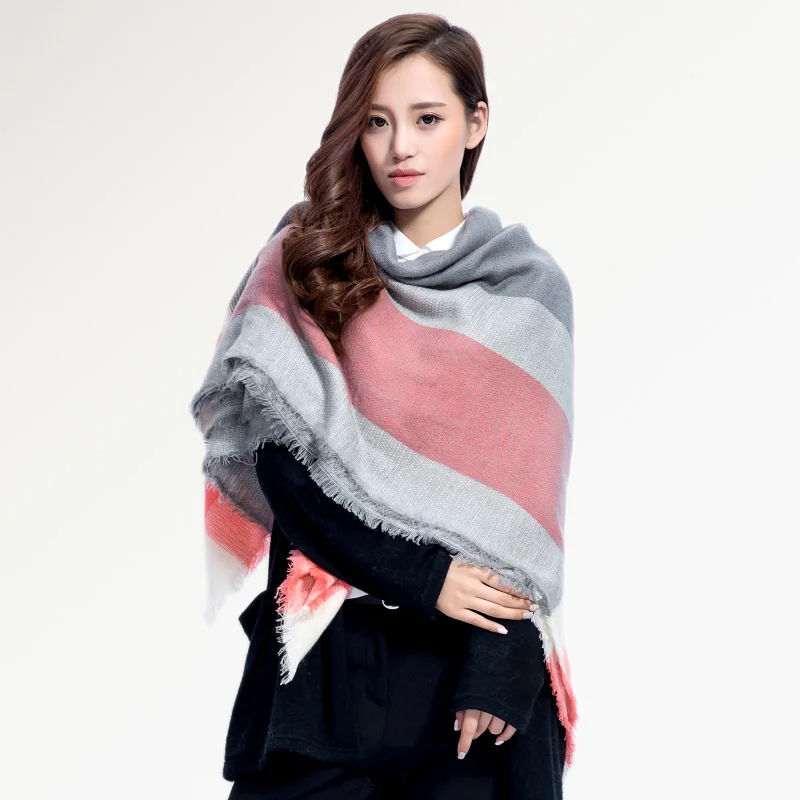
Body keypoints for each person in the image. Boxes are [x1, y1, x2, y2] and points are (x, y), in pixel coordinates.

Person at [190, 11, 575, 799]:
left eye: (427, 119)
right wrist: (424, 575)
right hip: (327, 660)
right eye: (377, 122)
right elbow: (285, 474)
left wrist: (500, 659)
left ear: (475, 124)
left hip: (466, 668)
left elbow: (524, 524)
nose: (401, 147)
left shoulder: (528, 292)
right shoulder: (307, 263)